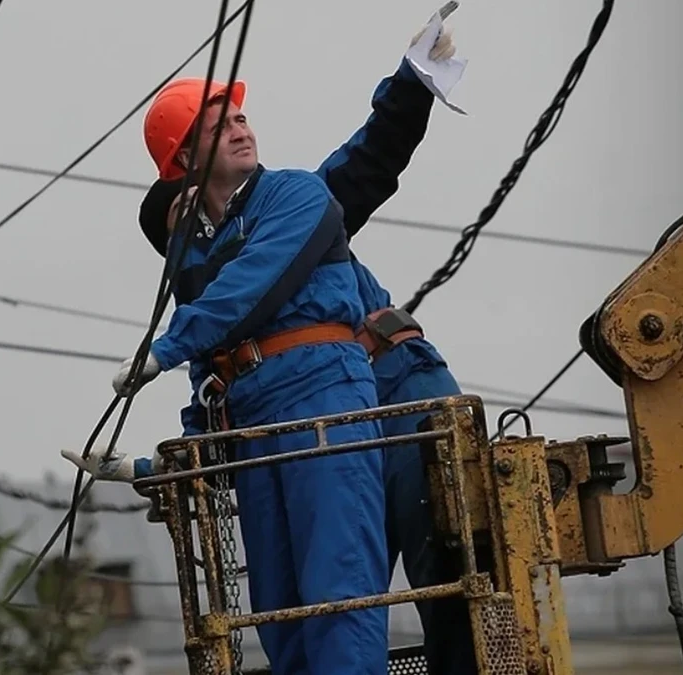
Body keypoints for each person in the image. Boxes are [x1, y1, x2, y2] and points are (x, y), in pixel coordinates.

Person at [65, 18, 479, 675]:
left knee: (433, 568)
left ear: (189, 181)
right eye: (178, 228)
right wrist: (150, 468)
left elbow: (369, 159)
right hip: (287, 413)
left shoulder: (291, 203)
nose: (190, 226)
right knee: (288, 601)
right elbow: (213, 403)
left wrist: (411, 82)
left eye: (184, 209)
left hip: (396, 390)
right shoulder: (210, 298)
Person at [101, 67, 391, 675]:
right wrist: (165, 464)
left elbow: (250, 288)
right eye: (219, 127)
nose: (240, 130)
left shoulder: (296, 196)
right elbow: (210, 380)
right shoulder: (198, 255)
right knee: (278, 608)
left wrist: (162, 349)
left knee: (338, 588)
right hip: (253, 422)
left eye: (239, 119)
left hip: (323, 401)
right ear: (186, 159)